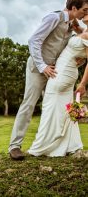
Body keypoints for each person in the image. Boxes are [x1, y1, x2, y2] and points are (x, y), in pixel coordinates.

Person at [9, 0, 88, 160]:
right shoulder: (53, 18)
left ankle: (56, 144)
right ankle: (15, 146)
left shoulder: (71, 25)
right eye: (84, 10)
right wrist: (42, 66)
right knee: (28, 104)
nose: (85, 14)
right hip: (39, 68)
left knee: (54, 106)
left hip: (56, 71)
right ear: (74, 8)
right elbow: (34, 40)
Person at [27, 14, 88, 156]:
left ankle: (42, 146)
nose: (84, 14)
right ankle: (68, 145)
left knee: (50, 105)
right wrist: (77, 27)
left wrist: (83, 83)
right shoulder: (83, 31)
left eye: (86, 11)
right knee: (64, 108)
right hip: (67, 71)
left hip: (62, 74)